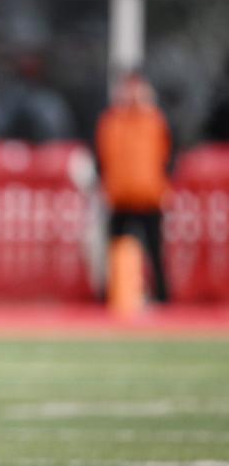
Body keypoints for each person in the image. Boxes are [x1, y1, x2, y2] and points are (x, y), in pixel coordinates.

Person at [95, 70, 171, 307]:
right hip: (119, 197)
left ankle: (161, 295)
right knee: (115, 249)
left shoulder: (155, 120)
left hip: (149, 196)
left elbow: (169, 156)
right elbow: (101, 158)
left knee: (154, 249)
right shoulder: (110, 122)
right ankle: (112, 293)